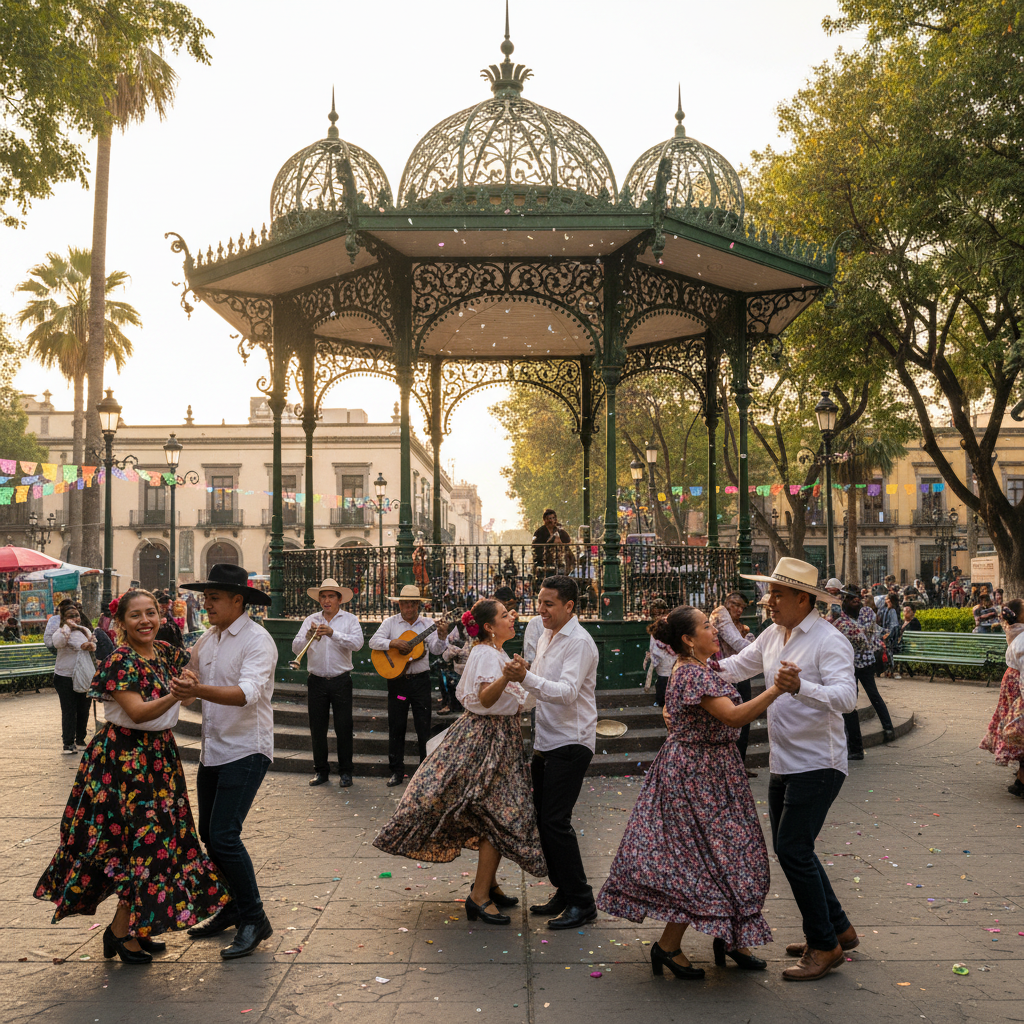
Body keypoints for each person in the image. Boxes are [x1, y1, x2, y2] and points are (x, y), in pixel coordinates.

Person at [598, 606, 801, 978]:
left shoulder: (698, 669)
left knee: (733, 856)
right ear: (688, 639)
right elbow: (734, 717)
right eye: (707, 626)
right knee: (702, 863)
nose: (713, 630)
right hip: (697, 778)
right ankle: (669, 946)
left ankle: (731, 938)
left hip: (712, 773)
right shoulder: (691, 673)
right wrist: (776, 689)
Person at [34, 588, 228, 964]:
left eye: (151, 613)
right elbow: (139, 714)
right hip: (123, 763)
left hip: (158, 758)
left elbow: (192, 680)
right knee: (137, 848)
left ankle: (132, 928)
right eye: (135, 615)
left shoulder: (167, 654)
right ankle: (120, 934)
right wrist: (176, 693)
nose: (146, 621)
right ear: (120, 624)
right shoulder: (119, 662)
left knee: (158, 845)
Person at [714, 557, 859, 981]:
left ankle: (824, 945)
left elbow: (846, 698)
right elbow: (739, 666)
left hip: (818, 763)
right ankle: (838, 929)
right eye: (769, 592)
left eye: (777, 594)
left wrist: (801, 687)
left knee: (793, 850)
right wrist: (696, 668)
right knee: (794, 849)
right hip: (785, 759)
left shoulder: (829, 641)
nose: (768, 601)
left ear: (803, 598)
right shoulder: (774, 634)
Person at [373, 599, 545, 925]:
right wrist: (509, 678)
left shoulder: (494, 653)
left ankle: (487, 885)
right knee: (499, 814)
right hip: (487, 739)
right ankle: (479, 897)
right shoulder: (485, 654)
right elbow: (485, 698)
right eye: (505, 615)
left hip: (498, 738)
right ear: (490, 627)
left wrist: (518, 674)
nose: (513, 618)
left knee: (487, 812)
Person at [171, 564, 278, 960]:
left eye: (213, 597)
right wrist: (185, 684)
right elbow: (191, 677)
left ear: (238, 600)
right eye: (205, 597)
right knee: (210, 835)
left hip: (246, 749)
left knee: (224, 835)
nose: (206, 603)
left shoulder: (257, 641)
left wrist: (197, 688)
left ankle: (254, 918)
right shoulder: (208, 639)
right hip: (213, 748)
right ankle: (232, 906)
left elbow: (247, 693)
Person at [505, 574, 599, 930]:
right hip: (546, 739)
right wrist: (516, 705)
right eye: (539, 601)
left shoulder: (580, 642)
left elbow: (566, 692)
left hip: (571, 741)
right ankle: (564, 890)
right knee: (544, 821)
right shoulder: (545, 634)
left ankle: (582, 901)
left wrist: (525, 678)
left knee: (555, 822)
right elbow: (537, 687)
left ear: (569, 606)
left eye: (548, 603)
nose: (540, 609)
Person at [368, 584, 449, 788]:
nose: (409, 607)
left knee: (423, 727)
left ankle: (425, 772)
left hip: (420, 683)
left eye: (413, 603)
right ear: (400, 604)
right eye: (405, 603)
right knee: (397, 726)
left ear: (418, 605)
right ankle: (396, 771)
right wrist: (393, 644)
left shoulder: (428, 624)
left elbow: (438, 650)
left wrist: (442, 636)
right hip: (398, 684)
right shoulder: (390, 623)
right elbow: (373, 642)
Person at [292, 577, 363, 789]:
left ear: (339, 599)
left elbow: (358, 644)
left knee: (343, 727)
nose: (326, 600)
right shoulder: (310, 620)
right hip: (316, 681)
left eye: (331, 596)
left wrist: (333, 633)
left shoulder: (350, 620)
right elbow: (296, 648)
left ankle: (346, 772)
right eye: (323, 596)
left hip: (341, 680)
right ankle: (321, 771)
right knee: (317, 728)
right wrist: (307, 635)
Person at [980, 600, 1024, 797]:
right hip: (1019, 685)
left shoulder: (1015, 630)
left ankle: (1020, 779)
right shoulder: (1021, 637)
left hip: (1013, 683)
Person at [709, 592, 757, 767]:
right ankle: (730, 767)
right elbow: (737, 643)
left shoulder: (741, 625)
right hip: (725, 674)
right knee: (731, 721)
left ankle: (740, 766)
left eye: (742, 607)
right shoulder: (720, 613)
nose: (738, 609)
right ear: (726, 603)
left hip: (741, 674)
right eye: (735, 604)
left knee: (745, 719)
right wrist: (763, 650)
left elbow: (745, 644)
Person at [51, 602, 97, 753]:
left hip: (83, 675)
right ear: (63, 618)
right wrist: (67, 628)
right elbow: (58, 643)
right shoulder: (60, 632)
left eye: (77, 615)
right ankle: (68, 743)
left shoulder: (83, 630)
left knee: (84, 708)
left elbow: (92, 643)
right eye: (70, 616)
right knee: (69, 710)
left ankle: (80, 739)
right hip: (64, 677)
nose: (75, 619)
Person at [532, 509, 574, 588]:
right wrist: (551, 540)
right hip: (545, 562)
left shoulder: (560, 531)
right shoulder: (540, 532)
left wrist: (560, 542)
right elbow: (536, 548)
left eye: (553, 518)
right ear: (545, 520)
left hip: (560, 561)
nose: (551, 521)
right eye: (549, 518)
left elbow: (568, 543)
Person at [645, 598, 675, 708]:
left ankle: (661, 700)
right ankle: (663, 699)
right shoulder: (667, 622)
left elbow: (661, 641)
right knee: (665, 678)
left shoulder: (662, 624)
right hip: (667, 655)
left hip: (663, 655)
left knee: (663, 678)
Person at [877, 592, 901, 678]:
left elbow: (894, 625)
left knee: (888, 652)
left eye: (887, 599)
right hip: (886, 634)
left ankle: (890, 670)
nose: (885, 600)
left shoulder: (893, 611)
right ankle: (886, 670)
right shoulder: (886, 609)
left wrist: (888, 634)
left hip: (890, 637)